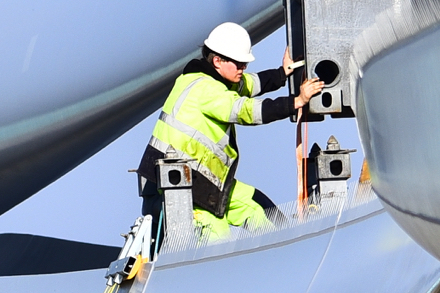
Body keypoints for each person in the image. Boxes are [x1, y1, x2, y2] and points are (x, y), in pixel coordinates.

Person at [138, 22, 325, 242]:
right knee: (219, 241)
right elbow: (245, 110)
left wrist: (283, 73)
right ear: (217, 60)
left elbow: (251, 84)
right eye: (238, 63)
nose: (242, 69)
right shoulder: (205, 89)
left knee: (258, 207)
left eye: (244, 64)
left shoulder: (217, 79)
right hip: (176, 192)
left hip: (202, 183)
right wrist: (297, 101)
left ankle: (291, 248)